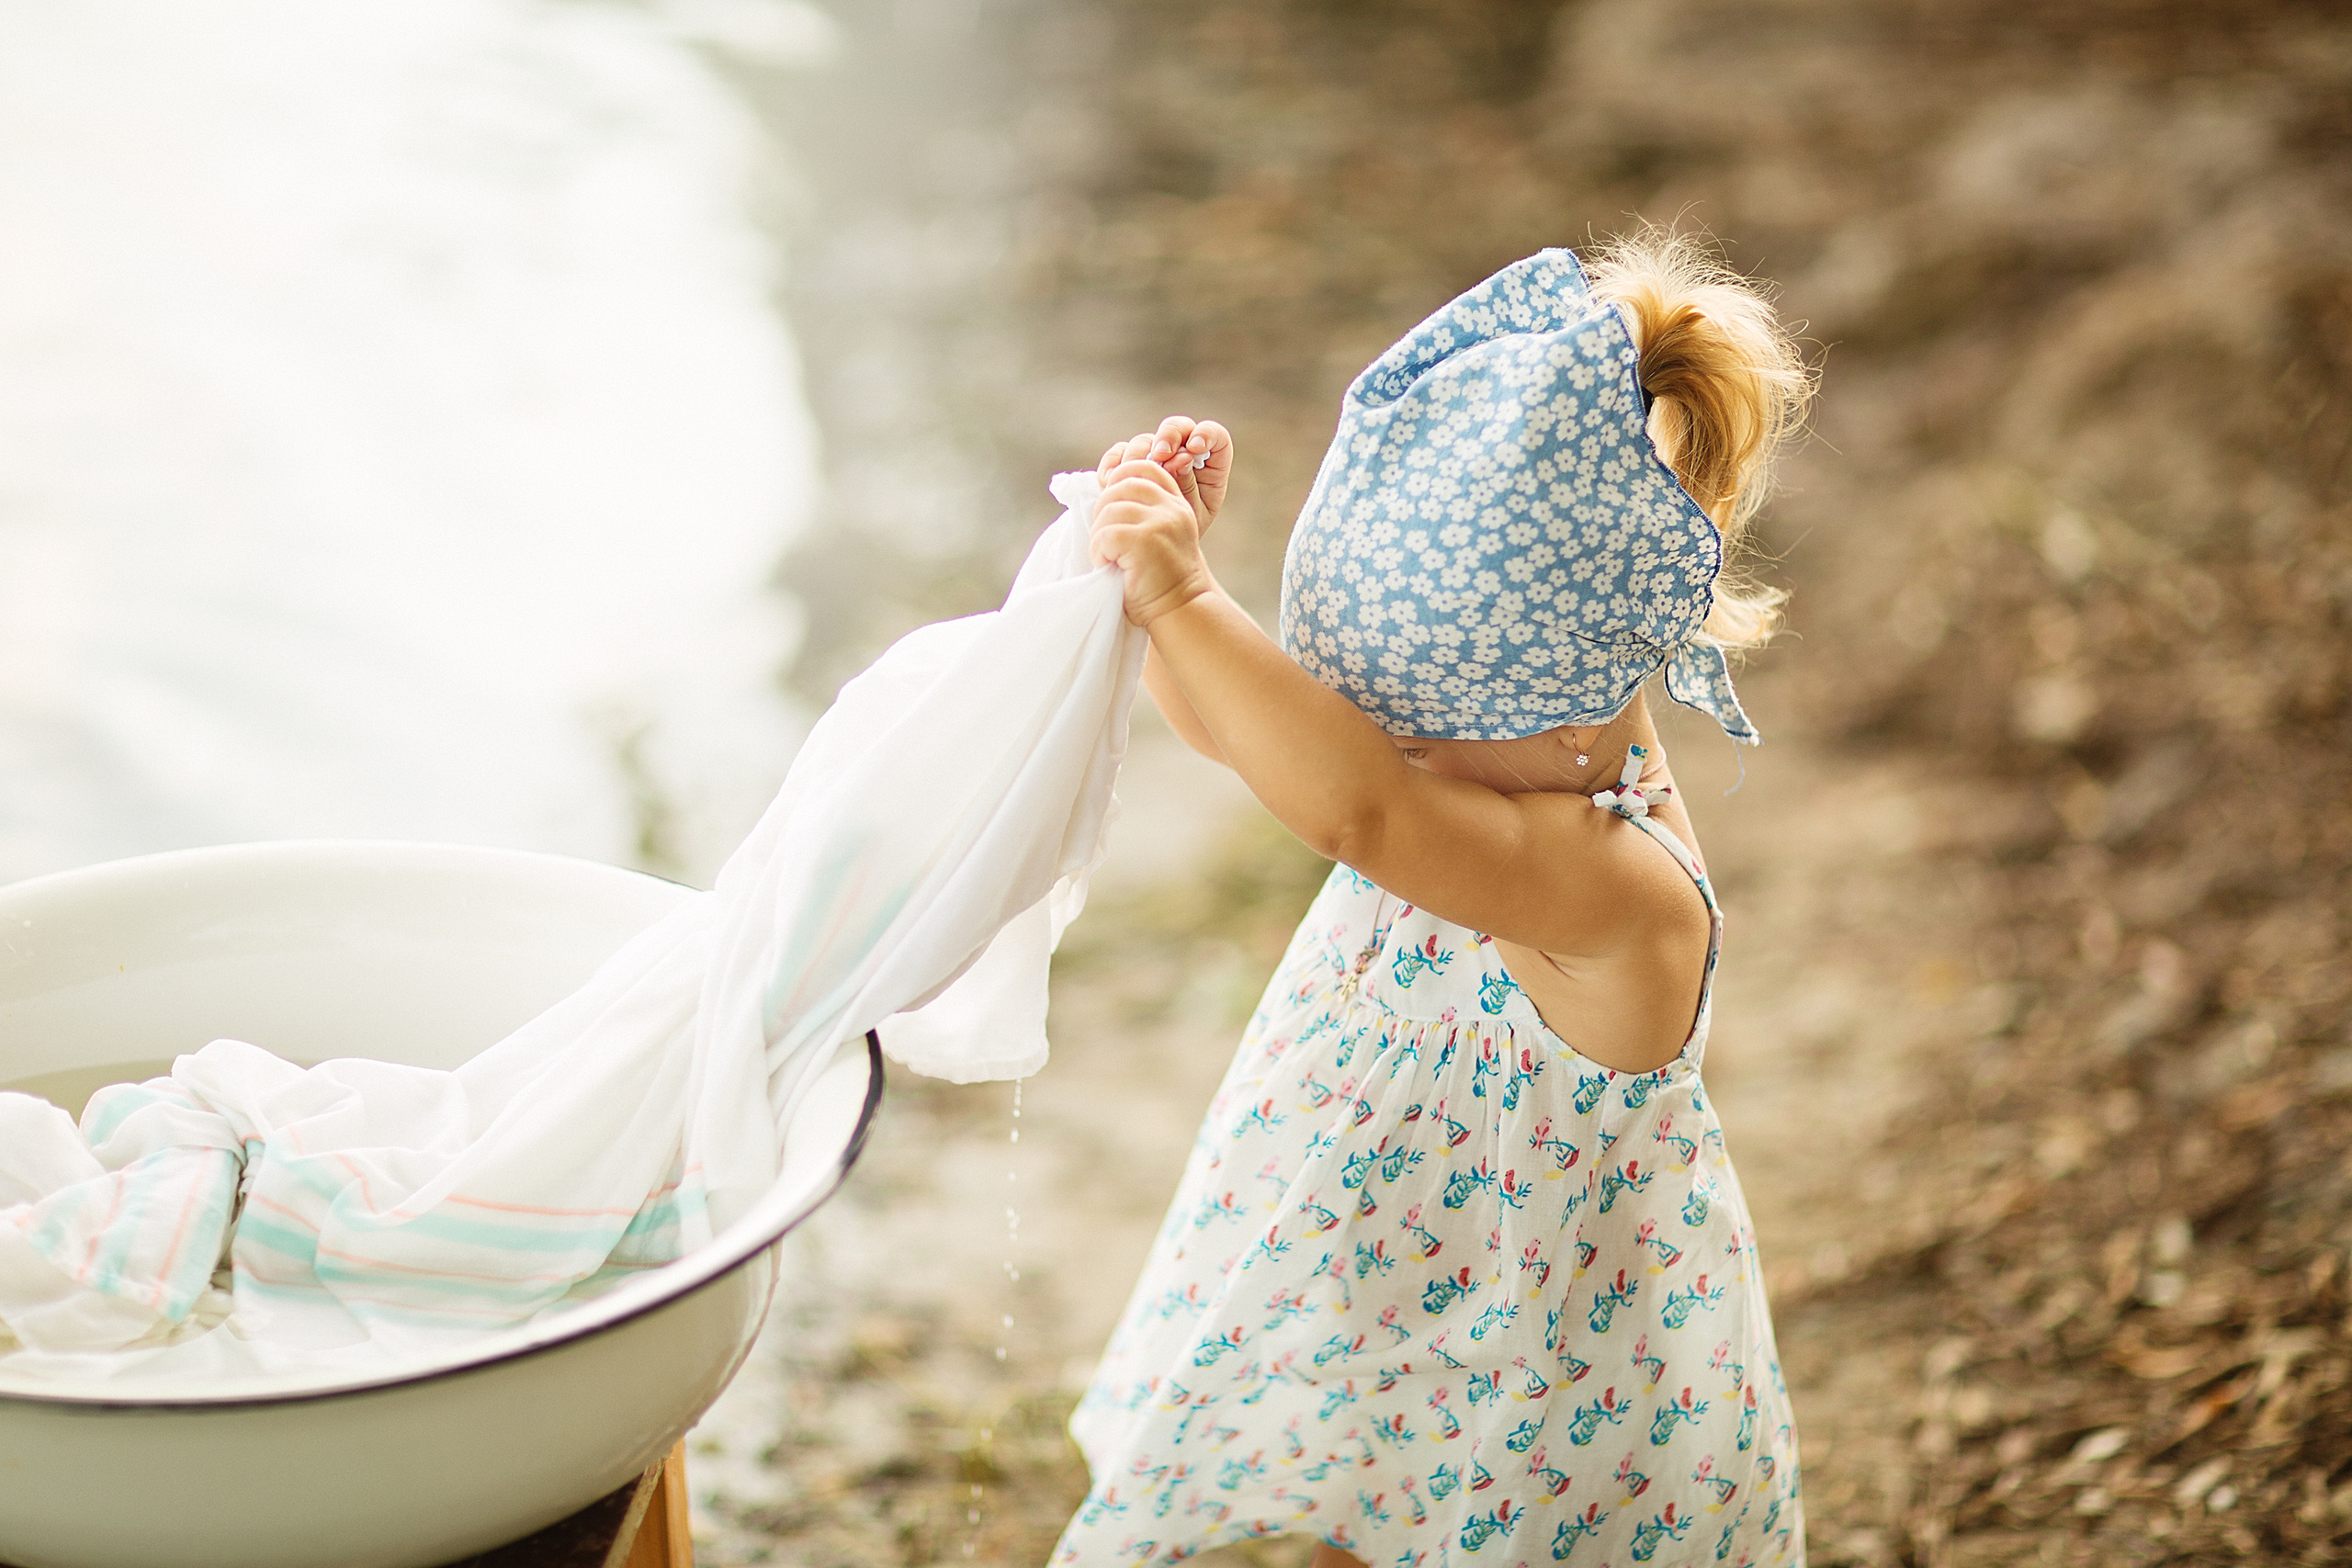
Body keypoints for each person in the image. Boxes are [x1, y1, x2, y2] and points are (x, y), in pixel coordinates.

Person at [1055, 231, 1812, 1568]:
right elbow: (1251, 743)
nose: (1380, 745)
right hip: (1424, 1306)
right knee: (1375, 1513)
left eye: (1410, 731)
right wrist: (1160, 595)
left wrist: (1189, 590)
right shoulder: (1483, 776)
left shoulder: (1611, 887)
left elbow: (1354, 803)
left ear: (1564, 714)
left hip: (1559, 1408)